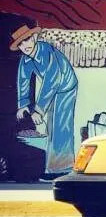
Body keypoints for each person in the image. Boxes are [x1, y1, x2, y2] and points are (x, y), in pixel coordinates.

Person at [12, 24, 78, 180]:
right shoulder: (26, 59)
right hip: (53, 88)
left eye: (27, 40)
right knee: (52, 126)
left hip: (66, 86)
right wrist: (23, 105)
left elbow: (51, 81)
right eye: (20, 43)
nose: (25, 46)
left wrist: (38, 110)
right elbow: (23, 80)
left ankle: (62, 169)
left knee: (60, 126)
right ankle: (56, 167)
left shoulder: (46, 51)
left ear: (34, 37)